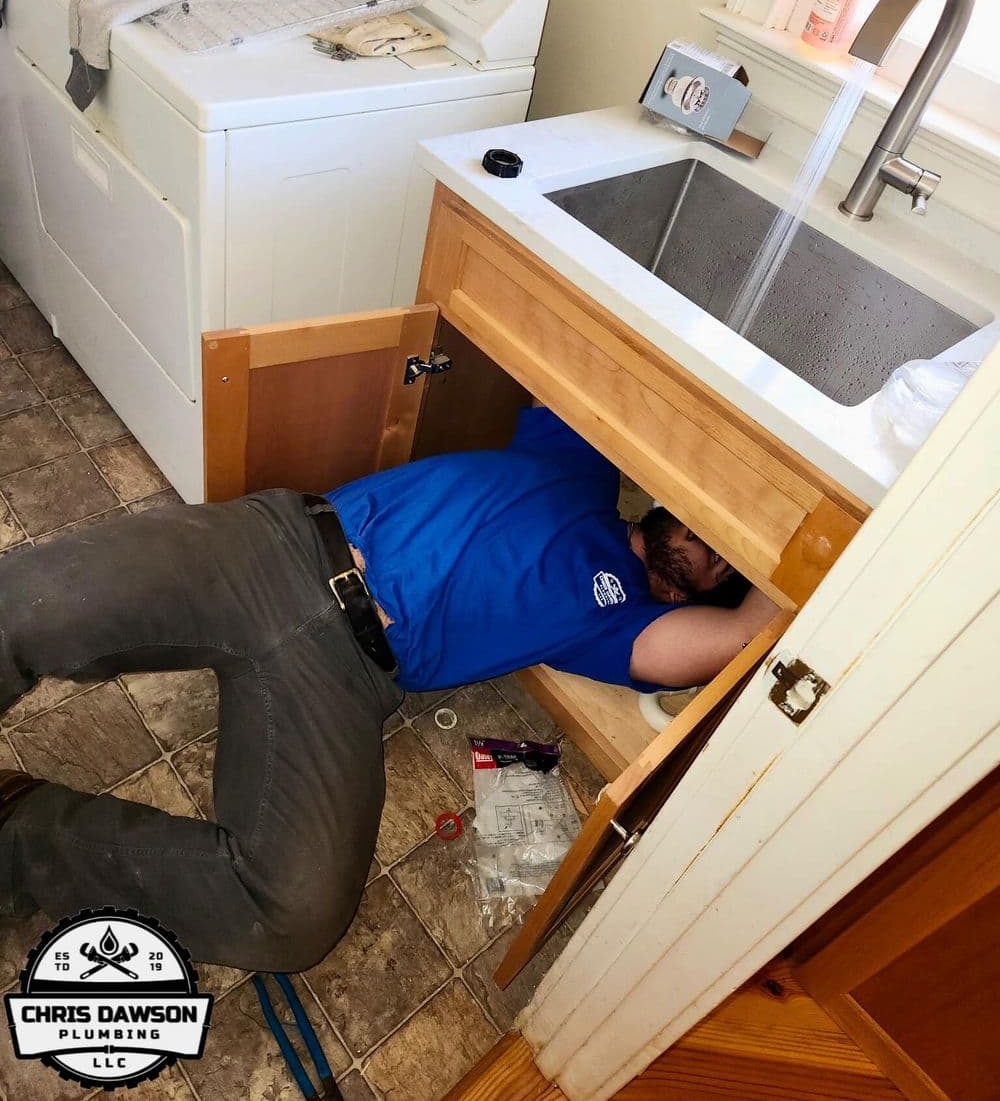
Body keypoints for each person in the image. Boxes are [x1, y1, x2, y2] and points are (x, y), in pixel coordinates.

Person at [0, 407, 778, 970]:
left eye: (726, 563)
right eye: (713, 528)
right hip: (280, 548)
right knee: (29, 607)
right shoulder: (581, 466)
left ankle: (17, 833)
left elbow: (749, 632)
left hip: (345, 675)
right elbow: (604, 356)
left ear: (708, 594)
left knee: (297, 913)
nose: (711, 548)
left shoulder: (622, 626)